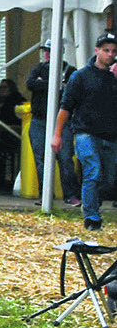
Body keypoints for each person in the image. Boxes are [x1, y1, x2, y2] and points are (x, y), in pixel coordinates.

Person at [53, 31, 117, 231]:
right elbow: (65, 107)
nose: (110, 54)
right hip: (85, 132)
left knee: (108, 178)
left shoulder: (113, 78)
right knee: (93, 171)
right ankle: (91, 217)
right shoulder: (80, 76)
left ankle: (93, 204)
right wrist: (57, 134)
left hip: (110, 135)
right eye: (106, 50)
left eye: (113, 51)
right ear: (97, 51)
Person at [26, 43, 79, 206]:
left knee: (65, 159)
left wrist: (44, 84)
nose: (47, 54)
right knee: (40, 158)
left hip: (62, 121)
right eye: (46, 51)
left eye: (50, 51)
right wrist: (55, 85)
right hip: (39, 119)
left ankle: (71, 195)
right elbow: (30, 84)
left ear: (60, 53)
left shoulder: (70, 71)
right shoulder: (38, 68)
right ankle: (45, 194)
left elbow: (72, 91)